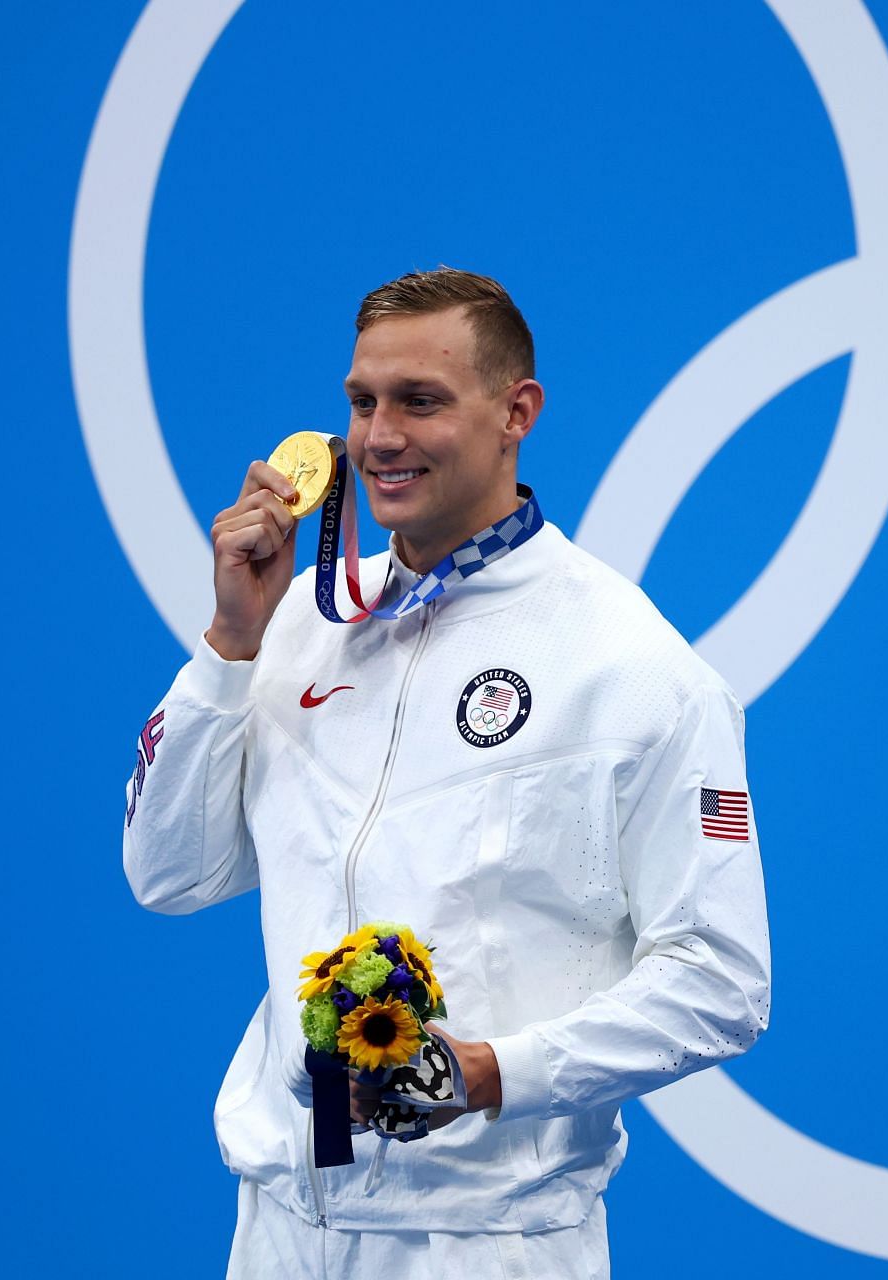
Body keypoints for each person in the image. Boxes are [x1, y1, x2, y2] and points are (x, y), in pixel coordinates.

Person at [122, 267, 772, 1278]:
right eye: (362, 400)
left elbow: (722, 981)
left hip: (483, 1240)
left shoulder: (633, 667)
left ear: (517, 413)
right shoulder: (303, 620)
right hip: (282, 1223)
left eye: (420, 400)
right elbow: (167, 873)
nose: (379, 436)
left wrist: (492, 1071)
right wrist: (229, 644)